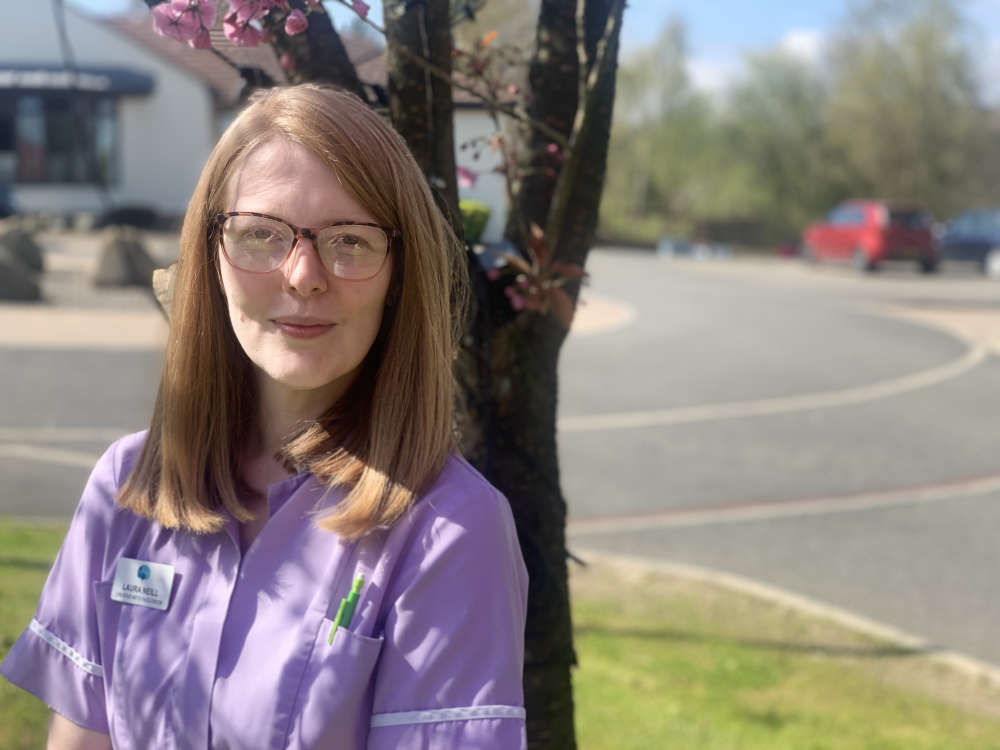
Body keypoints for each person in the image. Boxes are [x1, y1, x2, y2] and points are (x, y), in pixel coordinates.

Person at [1, 84, 529, 749]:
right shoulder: (126, 487)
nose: (304, 275)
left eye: (351, 241)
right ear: (210, 257)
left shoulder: (450, 533)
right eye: (261, 234)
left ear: (399, 279)